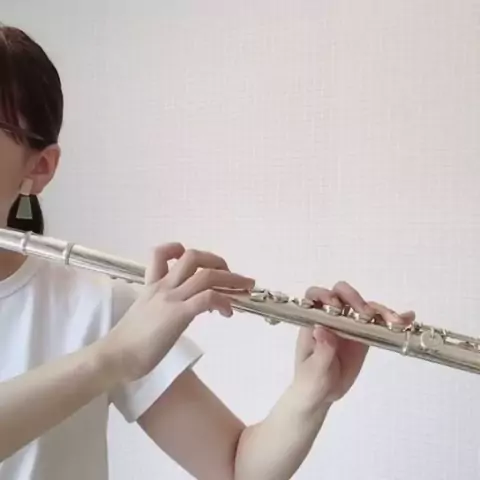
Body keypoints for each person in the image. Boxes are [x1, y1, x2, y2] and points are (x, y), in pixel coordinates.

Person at [0, 24, 415, 480]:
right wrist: (111, 359)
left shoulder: (95, 307)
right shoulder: (117, 348)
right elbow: (115, 357)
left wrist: (312, 392)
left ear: (39, 167)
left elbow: (236, 468)